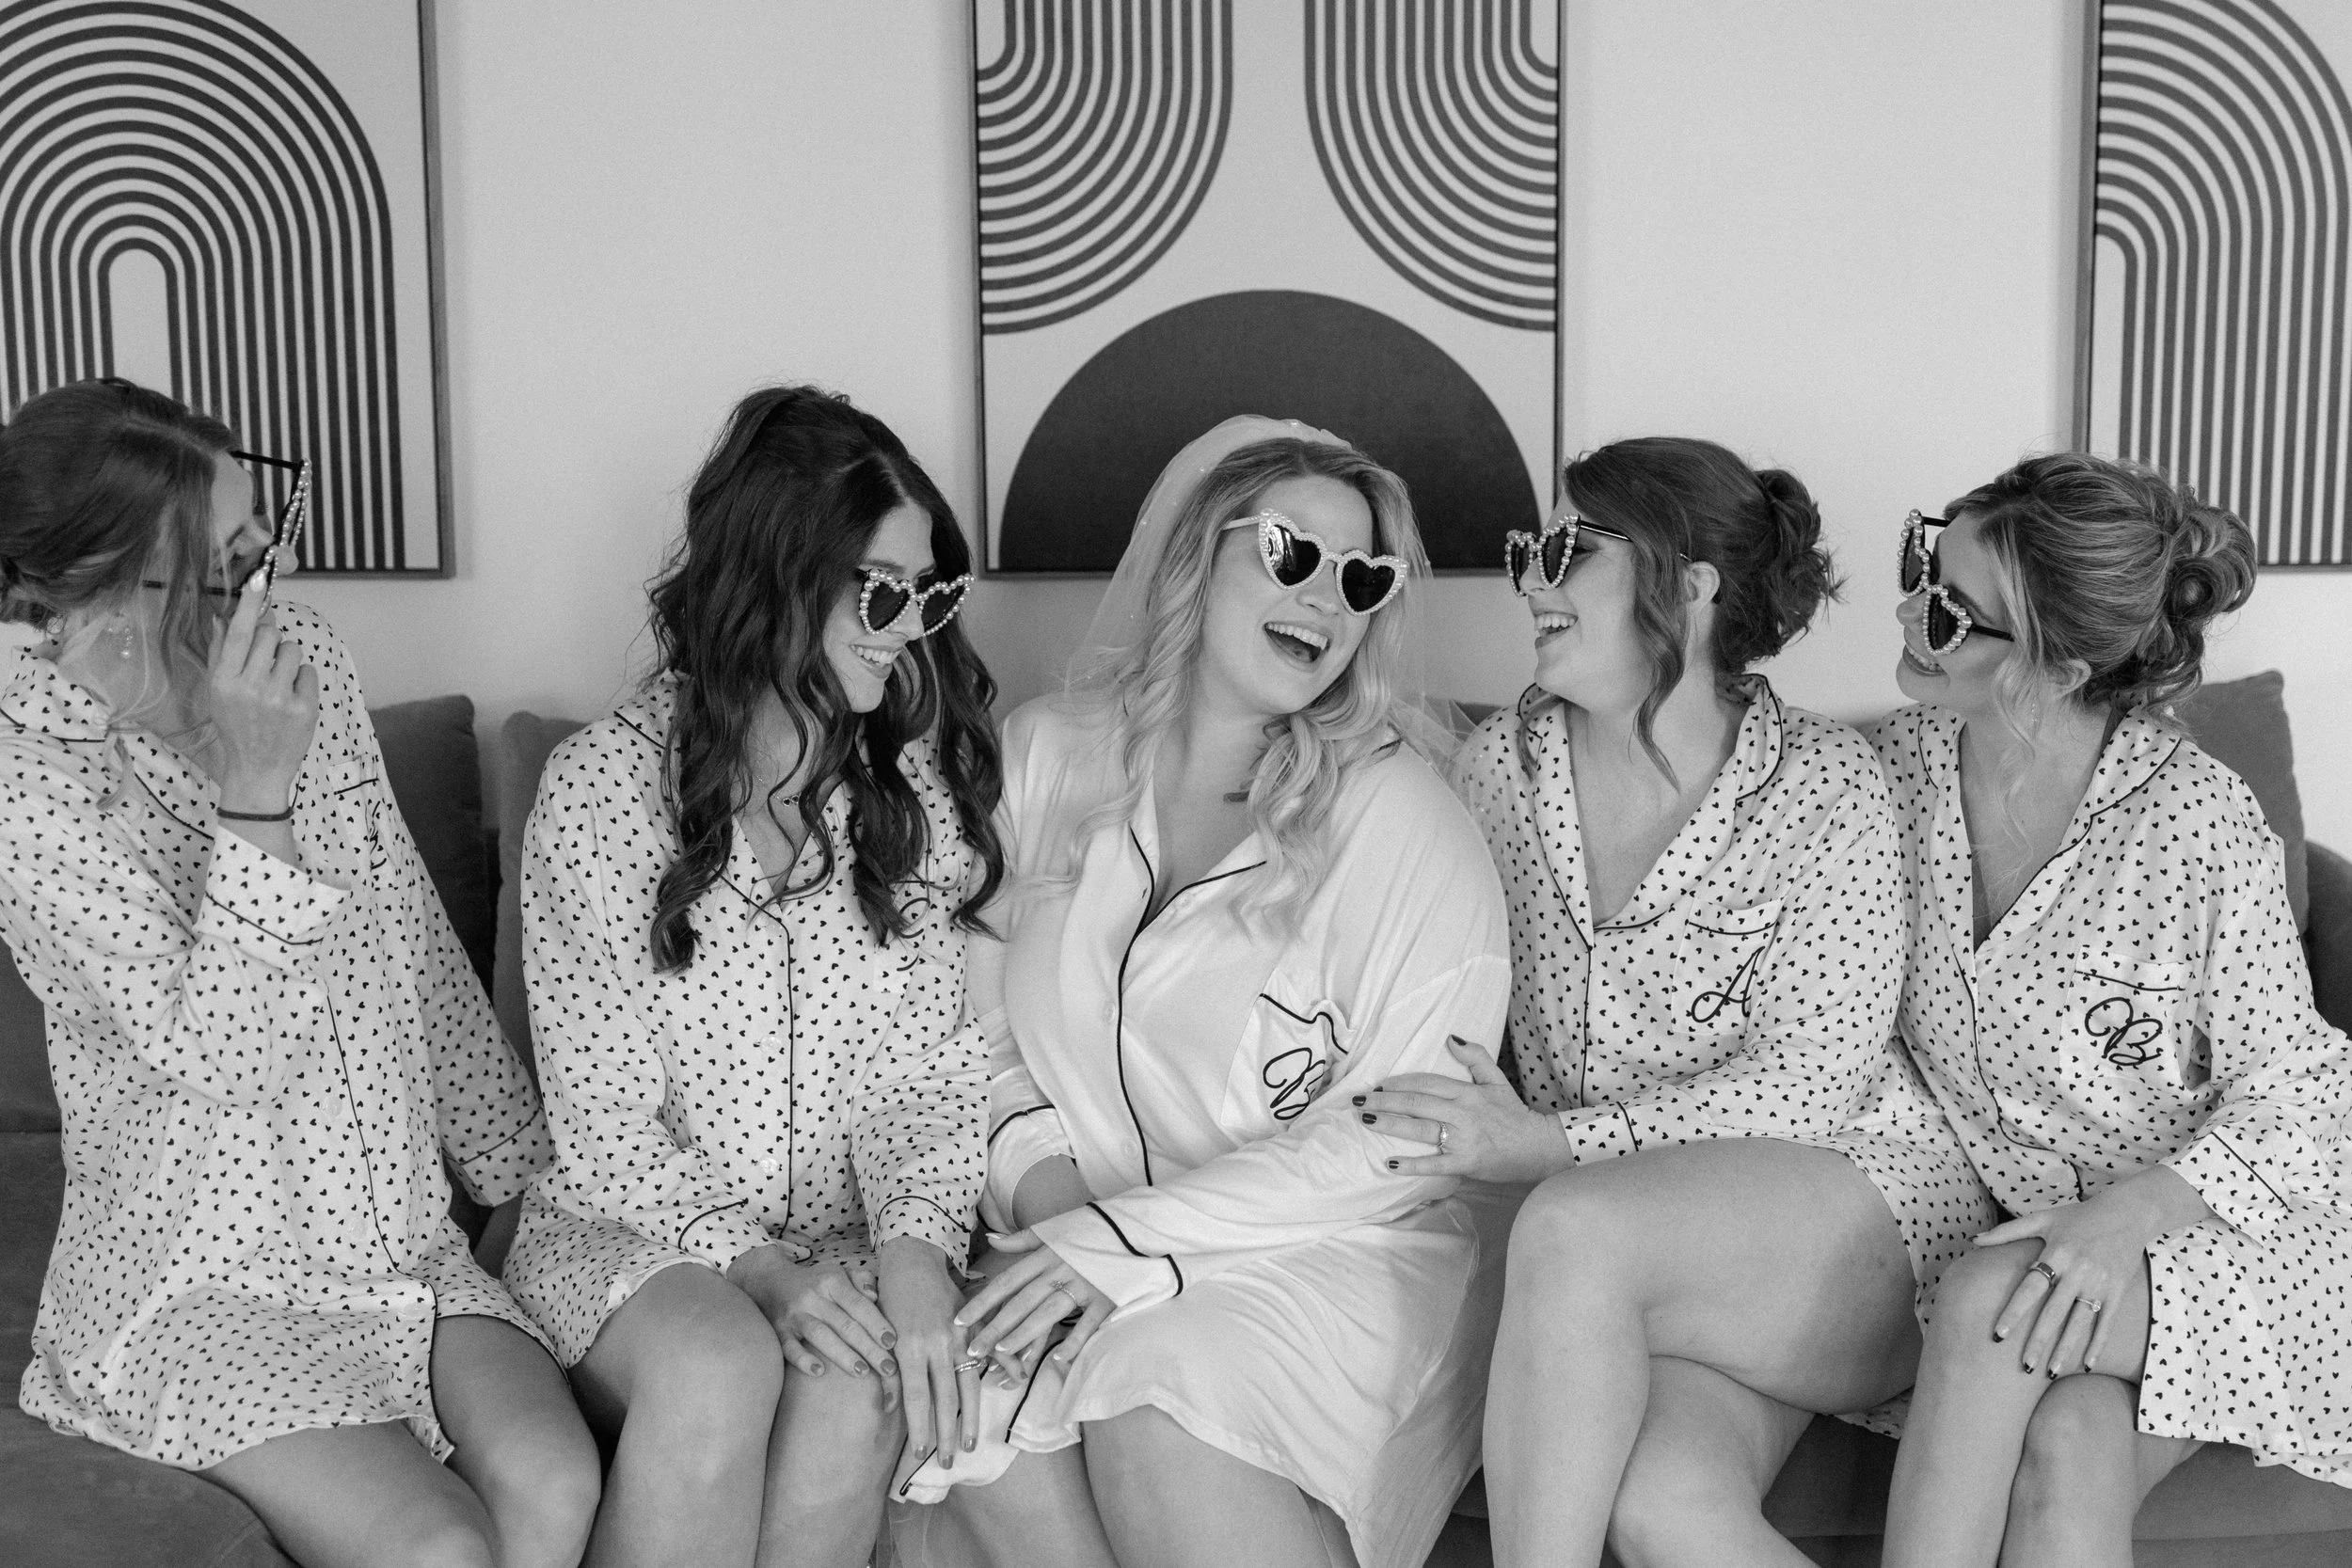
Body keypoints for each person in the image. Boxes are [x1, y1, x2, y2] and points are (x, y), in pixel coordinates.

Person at [0, 378, 596, 1567]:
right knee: (438, 1547)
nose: (273, 570)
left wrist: (518, 1174)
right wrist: (256, 790)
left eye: (264, 530)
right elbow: (229, 1058)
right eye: (230, 562)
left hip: (399, 1247)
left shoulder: (303, 650)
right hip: (201, 1279)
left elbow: (406, 926)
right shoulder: (30, 779)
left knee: (557, 1477)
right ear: (113, 588)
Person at [903, 418, 1510, 1568]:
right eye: (1290, 552)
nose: (1325, 597)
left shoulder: (1407, 826)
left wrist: (1128, 1244)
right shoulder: (1042, 757)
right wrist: (1066, 1223)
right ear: (1196, 550)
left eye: (1361, 578)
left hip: (1329, 1251)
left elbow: (1399, 1143)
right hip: (1067, 1221)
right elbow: (967, 1034)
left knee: (1156, 1395)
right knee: (972, 1417)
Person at [1364, 437, 1970, 1565]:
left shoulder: (1825, 785)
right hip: (1637, 1254)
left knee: (1569, 1221)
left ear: (1688, 586)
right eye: (1527, 550)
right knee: (1660, 1508)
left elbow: (1811, 1083)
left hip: (1850, 1209)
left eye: (1566, 550)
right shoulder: (1498, 770)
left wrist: (1552, 1143)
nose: (1530, 580)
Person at [500, 386, 1005, 1568]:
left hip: (838, 1244)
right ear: (778, 575)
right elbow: (604, 1127)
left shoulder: (915, 799)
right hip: (631, 1236)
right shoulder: (599, 789)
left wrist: (915, 1252)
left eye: (929, 593)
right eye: (880, 591)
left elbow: (928, 1078)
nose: (907, 626)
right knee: (718, 1361)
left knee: (862, 1375)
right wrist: (758, 1267)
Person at [1867, 455, 2352, 1567]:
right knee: (2070, 1437)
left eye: (1948, 611)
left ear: (2061, 663)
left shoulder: (2192, 820)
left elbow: (2302, 1095)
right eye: (1918, 567)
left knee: (1991, 1297)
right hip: (2040, 1220)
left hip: (2246, 1231)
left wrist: (2130, 1213)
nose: (1906, 613)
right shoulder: (1890, 771)